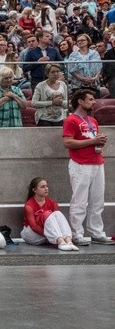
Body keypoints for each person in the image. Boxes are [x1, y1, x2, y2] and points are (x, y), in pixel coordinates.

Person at [62, 89, 115, 246]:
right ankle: (76, 233)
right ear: (80, 101)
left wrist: (99, 140)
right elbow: (68, 142)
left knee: (97, 200)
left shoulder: (93, 121)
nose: (94, 102)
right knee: (80, 199)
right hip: (80, 164)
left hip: (97, 161)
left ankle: (96, 231)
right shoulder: (71, 120)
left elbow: (92, 139)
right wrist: (92, 142)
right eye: (90, 99)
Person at [22, 177, 77, 251]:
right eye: (42, 187)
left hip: (49, 234)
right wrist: (49, 234)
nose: (46, 189)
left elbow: (58, 222)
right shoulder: (29, 205)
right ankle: (60, 242)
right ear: (34, 190)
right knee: (47, 214)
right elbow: (34, 227)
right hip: (32, 234)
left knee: (57, 213)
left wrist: (52, 234)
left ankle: (68, 241)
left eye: (46, 186)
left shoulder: (52, 203)